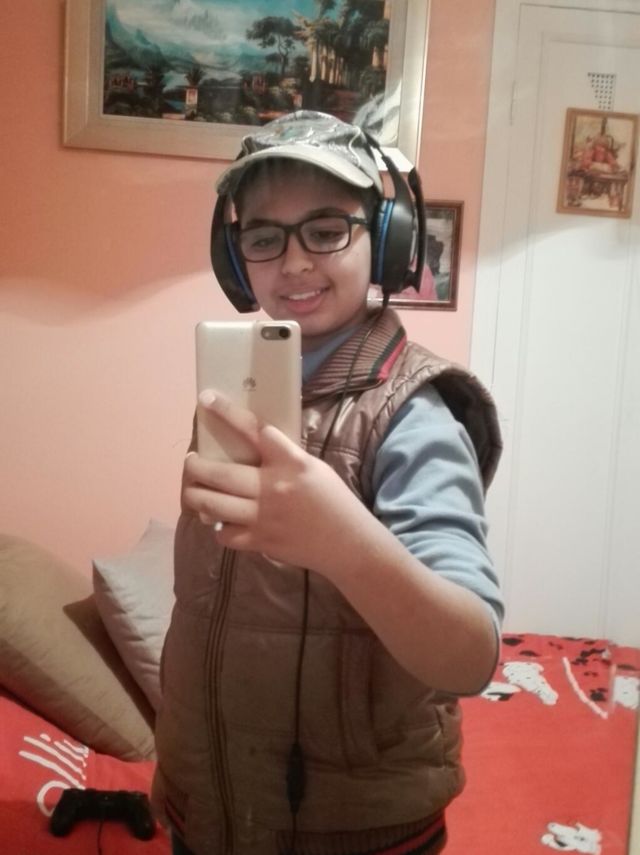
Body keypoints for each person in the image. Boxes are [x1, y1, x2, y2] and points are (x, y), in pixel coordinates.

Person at [152, 110, 503, 855]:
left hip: (355, 830)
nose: (293, 263)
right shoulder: (238, 395)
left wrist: (341, 541)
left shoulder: (414, 416)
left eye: (325, 229)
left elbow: (469, 656)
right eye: (264, 237)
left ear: (386, 240)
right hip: (207, 807)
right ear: (235, 256)